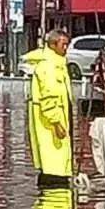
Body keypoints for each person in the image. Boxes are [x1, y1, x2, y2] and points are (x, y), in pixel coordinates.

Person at [23, 29, 74, 189]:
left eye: (67, 45)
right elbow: (48, 98)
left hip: (59, 123)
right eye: (63, 45)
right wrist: (56, 123)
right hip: (51, 127)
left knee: (57, 168)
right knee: (54, 172)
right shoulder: (47, 67)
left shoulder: (58, 64)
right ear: (52, 45)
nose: (66, 48)